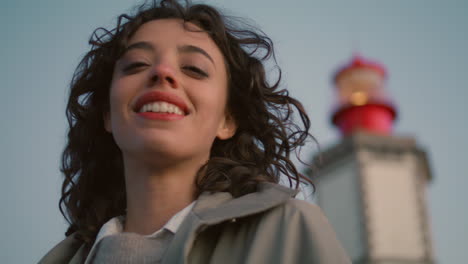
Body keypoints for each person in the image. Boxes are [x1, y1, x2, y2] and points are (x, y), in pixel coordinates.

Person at [39, 0, 350, 263]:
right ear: (107, 114)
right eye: (136, 64)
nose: (162, 72)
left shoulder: (290, 230)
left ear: (227, 121)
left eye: (194, 68)